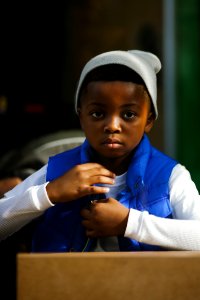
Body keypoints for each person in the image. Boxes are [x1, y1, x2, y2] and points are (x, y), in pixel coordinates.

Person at [1, 49, 200, 251]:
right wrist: (49, 193)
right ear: (81, 116)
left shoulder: (170, 176)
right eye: (97, 113)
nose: (112, 125)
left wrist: (129, 223)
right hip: (64, 283)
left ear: (149, 120)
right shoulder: (56, 172)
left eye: (129, 114)